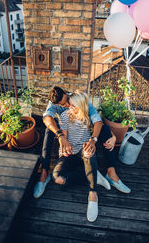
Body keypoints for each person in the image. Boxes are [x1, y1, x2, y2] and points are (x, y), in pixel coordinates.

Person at [33, 86, 131, 199]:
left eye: (67, 102)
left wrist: (100, 139)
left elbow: (98, 122)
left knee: (104, 130)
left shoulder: (78, 100)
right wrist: (60, 136)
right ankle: (44, 174)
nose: (67, 106)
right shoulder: (56, 105)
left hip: (83, 134)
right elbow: (46, 118)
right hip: (66, 131)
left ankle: (111, 172)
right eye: (62, 105)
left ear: (66, 92)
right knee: (49, 129)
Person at [53, 91, 100, 222]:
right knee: (57, 179)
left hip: (83, 149)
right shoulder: (64, 116)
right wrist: (65, 149)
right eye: (70, 105)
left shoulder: (89, 117)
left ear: (82, 105)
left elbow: (101, 126)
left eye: (74, 106)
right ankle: (93, 175)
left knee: (89, 152)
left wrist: (109, 138)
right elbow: (65, 139)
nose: (70, 107)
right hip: (70, 152)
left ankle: (93, 193)